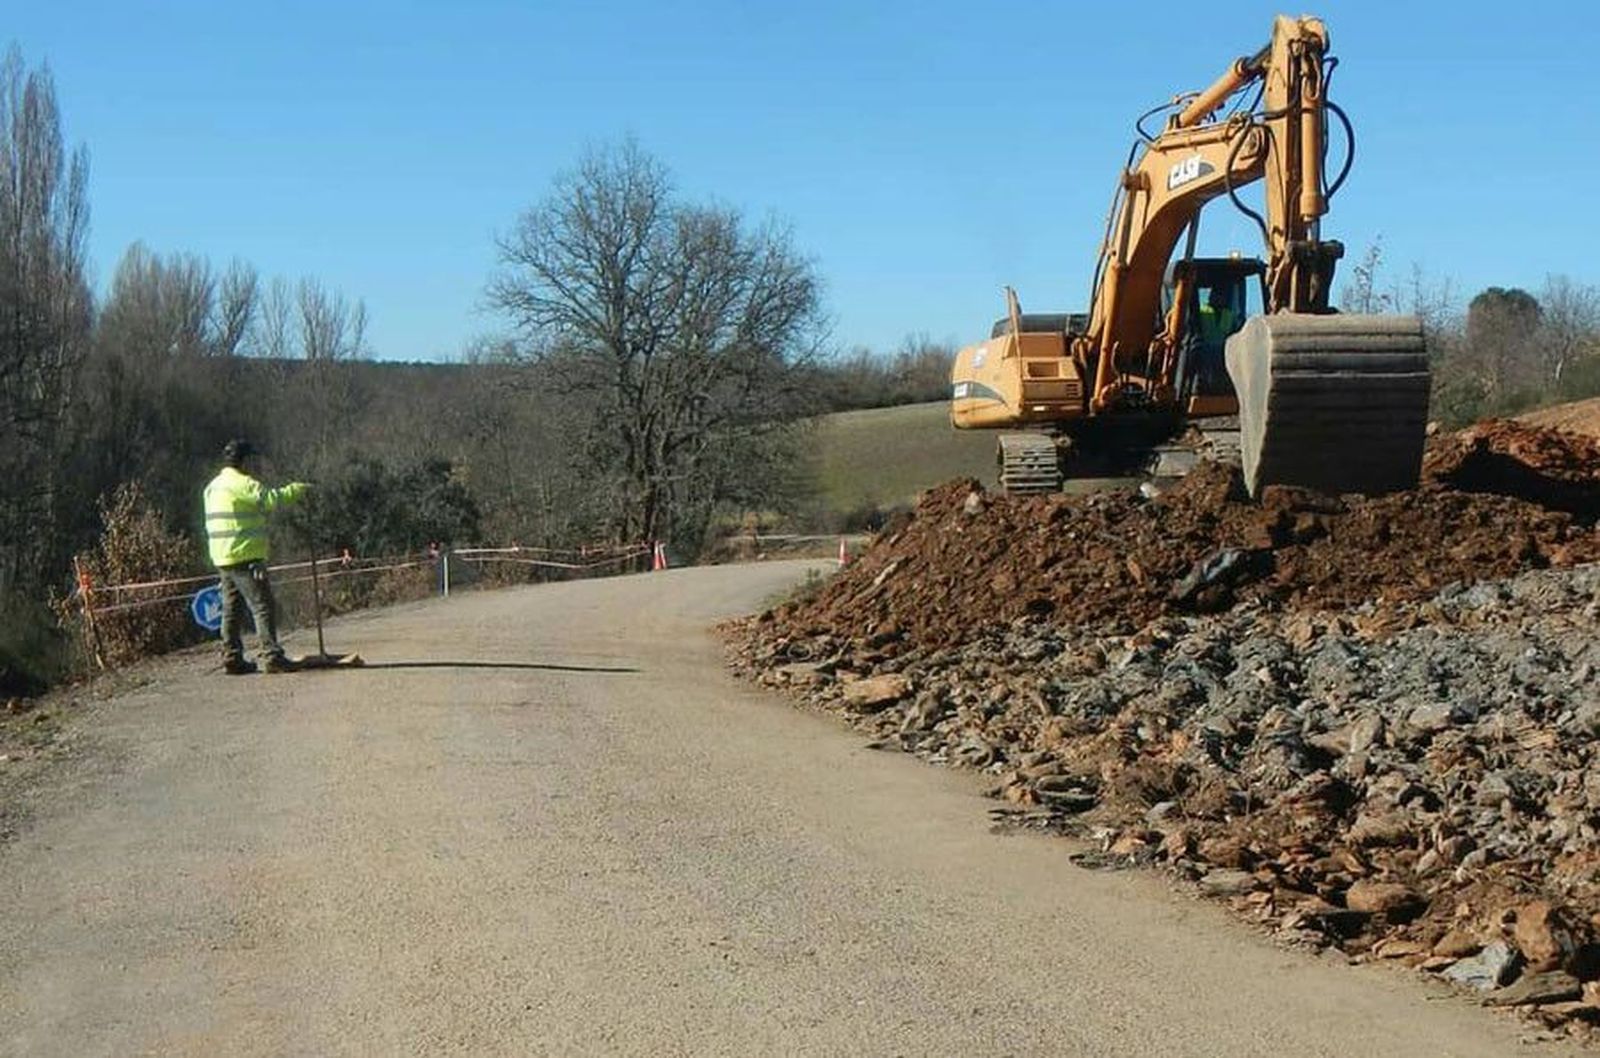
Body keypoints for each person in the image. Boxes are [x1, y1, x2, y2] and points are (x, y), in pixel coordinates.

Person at [202, 440, 310, 675]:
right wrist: (295, 490)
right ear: (244, 460)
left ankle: (231, 657)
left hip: (222, 557)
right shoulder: (243, 483)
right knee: (262, 606)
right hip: (245, 554)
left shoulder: (212, 487)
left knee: (232, 608)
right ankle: (272, 655)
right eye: (251, 459)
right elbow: (270, 500)